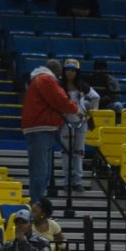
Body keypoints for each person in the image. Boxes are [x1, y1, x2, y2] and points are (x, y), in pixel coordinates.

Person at [21, 59, 81, 201]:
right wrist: (76, 109)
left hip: (43, 129)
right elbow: (60, 100)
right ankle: (36, 205)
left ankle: (39, 204)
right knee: (40, 172)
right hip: (40, 129)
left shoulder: (40, 79)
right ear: (57, 71)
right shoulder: (45, 79)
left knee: (43, 172)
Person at [56, 59, 99, 193]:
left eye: (73, 70)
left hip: (81, 123)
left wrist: (91, 111)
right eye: (68, 70)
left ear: (77, 72)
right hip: (65, 122)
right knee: (66, 153)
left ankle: (77, 181)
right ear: (64, 71)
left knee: (79, 153)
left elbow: (95, 97)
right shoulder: (59, 86)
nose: (70, 72)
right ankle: (67, 181)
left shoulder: (82, 86)